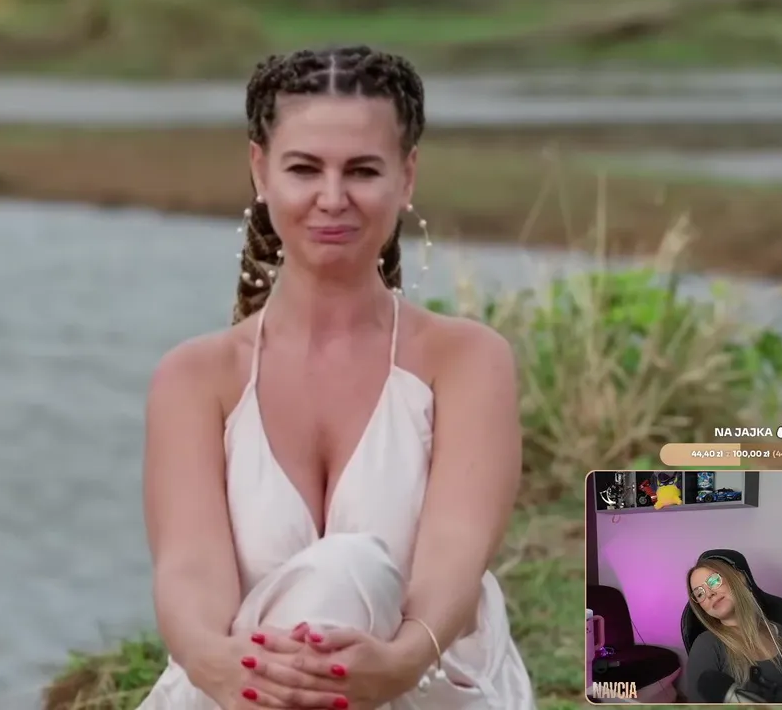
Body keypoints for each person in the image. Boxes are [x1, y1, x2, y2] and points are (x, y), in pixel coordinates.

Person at [137, 45, 535, 710]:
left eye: (362, 171)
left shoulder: (468, 361)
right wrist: (218, 665)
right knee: (328, 590)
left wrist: (401, 662)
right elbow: (189, 569)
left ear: (407, 177)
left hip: (424, 686)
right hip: (240, 693)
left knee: (348, 571)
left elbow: (456, 558)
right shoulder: (194, 377)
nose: (331, 198)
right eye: (304, 169)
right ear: (260, 170)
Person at [684, 558, 782, 703]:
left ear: (738, 578)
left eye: (713, 581)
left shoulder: (777, 632)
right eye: (700, 594)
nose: (709, 594)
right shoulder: (707, 645)